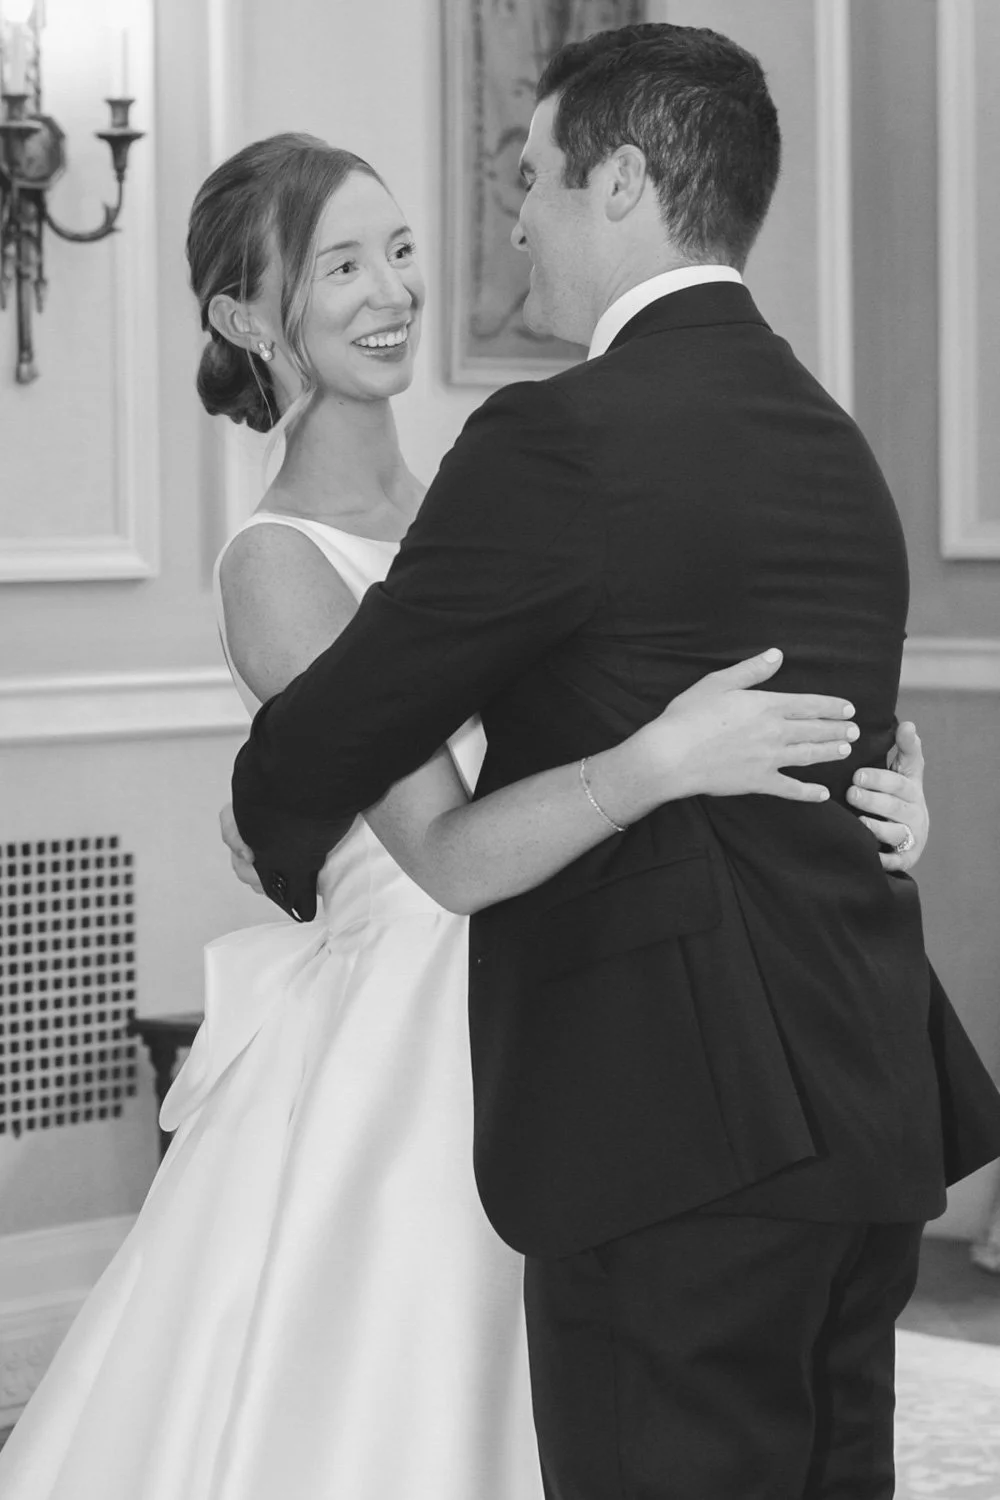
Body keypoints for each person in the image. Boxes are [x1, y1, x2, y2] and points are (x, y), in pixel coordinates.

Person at [0, 132, 928, 1500]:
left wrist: (869, 785)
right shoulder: (278, 567)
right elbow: (442, 855)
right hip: (430, 1020)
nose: (392, 291)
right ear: (248, 318)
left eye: (401, 249)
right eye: (341, 266)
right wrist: (660, 760)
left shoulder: (493, 492)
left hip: (593, 996)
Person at [228, 25, 1000, 1500]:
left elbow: (340, 722)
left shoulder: (561, 438)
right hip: (866, 1097)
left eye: (535, 177)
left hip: (674, 1134)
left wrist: (264, 815)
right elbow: (853, 754)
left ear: (627, 182)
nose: (511, 216)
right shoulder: (831, 436)